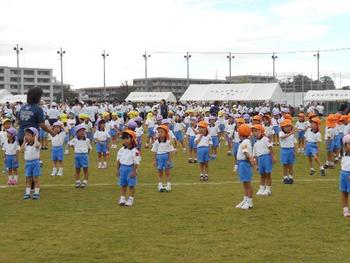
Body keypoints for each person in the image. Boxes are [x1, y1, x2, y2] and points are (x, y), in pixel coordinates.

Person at [116, 130, 141, 207]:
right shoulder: (121, 149)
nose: (125, 140)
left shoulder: (135, 151)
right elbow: (118, 160)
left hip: (130, 169)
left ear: (132, 139)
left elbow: (136, 162)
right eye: (124, 138)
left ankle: (130, 199)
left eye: (127, 138)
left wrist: (134, 171)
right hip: (122, 168)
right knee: (123, 184)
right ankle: (122, 198)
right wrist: (117, 170)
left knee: (131, 185)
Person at [252, 124, 275, 196]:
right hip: (260, 159)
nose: (255, 133)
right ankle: (261, 188)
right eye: (254, 131)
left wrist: (273, 157)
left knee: (268, 174)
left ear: (261, 131)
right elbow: (255, 155)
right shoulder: (255, 143)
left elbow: (270, 148)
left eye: (256, 131)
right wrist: (256, 165)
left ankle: (268, 189)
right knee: (262, 174)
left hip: (267, 158)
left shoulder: (265, 139)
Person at [235, 124, 254, 210]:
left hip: (244, 163)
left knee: (247, 183)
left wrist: (250, 160)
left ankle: (249, 201)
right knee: (245, 183)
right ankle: (245, 199)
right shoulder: (245, 141)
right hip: (242, 163)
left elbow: (246, 152)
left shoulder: (245, 142)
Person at [151, 125, 174, 192]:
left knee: (167, 173)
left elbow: (170, 152)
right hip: (159, 159)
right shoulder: (156, 142)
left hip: (166, 158)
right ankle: (160, 186)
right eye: (159, 132)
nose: (160, 133)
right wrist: (155, 160)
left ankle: (168, 186)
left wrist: (169, 160)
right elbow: (154, 152)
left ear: (166, 133)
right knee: (160, 172)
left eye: (162, 132)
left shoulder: (168, 142)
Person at [21, 127, 41, 200]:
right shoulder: (26, 145)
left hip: (35, 163)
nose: (26, 136)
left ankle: (36, 193)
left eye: (28, 135)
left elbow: (37, 145)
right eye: (25, 135)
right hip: (28, 163)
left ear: (34, 136)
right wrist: (24, 142)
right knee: (28, 179)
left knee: (36, 179)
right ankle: (27, 192)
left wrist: (35, 138)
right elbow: (21, 150)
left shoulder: (37, 144)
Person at [279, 119, 296, 184]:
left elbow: (293, 143)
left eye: (289, 126)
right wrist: (291, 133)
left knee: (291, 165)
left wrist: (294, 151)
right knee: (285, 165)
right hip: (284, 150)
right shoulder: (281, 133)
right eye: (286, 126)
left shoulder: (292, 134)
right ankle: (285, 177)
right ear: (283, 127)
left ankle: (291, 177)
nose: (288, 128)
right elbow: (282, 137)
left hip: (291, 150)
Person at [340, 134, 350, 218]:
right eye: (349, 144)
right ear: (345, 145)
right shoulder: (344, 154)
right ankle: (345, 209)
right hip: (343, 174)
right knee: (344, 192)